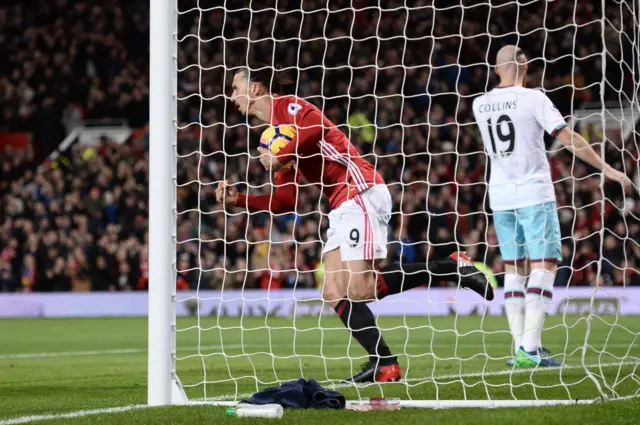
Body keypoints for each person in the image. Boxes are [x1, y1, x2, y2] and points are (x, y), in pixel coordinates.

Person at [217, 65, 494, 383]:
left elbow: (318, 127)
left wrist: (283, 155)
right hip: (340, 203)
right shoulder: (273, 138)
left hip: (358, 188)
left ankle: (452, 267)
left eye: (234, 86)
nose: (231, 95)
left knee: (360, 289)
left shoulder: (287, 105)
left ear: (254, 88)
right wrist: (238, 200)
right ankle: (383, 362)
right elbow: (285, 201)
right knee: (333, 291)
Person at [472, 46, 632, 367]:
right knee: (544, 265)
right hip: (533, 193)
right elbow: (569, 138)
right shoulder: (534, 98)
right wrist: (608, 169)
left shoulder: (480, 103)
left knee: (514, 269)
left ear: (495, 68)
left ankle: (521, 348)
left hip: (500, 197)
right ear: (525, 63)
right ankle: (530, 350)